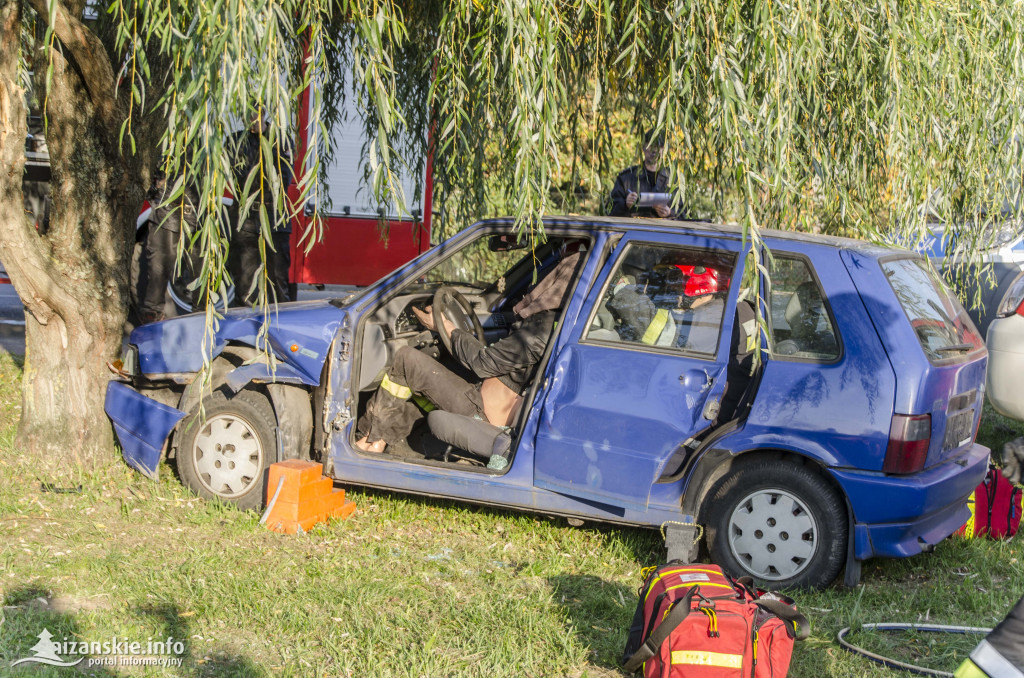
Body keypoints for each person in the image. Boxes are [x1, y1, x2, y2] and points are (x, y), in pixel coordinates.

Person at [354, 251, 582, 457]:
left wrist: (445, 325)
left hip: (481, 413)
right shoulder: (559, 325)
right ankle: (393, 441)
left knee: (406, 359)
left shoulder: (539, 331)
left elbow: (483, 363)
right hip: (483, 397)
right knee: (427, 376)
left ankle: (370, 442)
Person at [228, 110, 294, 305]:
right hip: (246, 218)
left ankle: (280, 325)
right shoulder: (236, 141)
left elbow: (281, 180)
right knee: (245, 284)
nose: (250, 118)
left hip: (274, 218)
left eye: (256, 112)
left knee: (277, 281)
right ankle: (244, 330)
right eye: (246, 112)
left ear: (264, 113)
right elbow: (237, 178)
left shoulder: (280, 141)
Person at [608, 130, 675, 219]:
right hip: (633, 231)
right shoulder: (626, 178)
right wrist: (625, 204)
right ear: (643, 148)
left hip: (662, 232)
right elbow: (610, 211)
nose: (654, 150)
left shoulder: (673, 179)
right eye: (650, 145)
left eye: (659, 146)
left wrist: (670, 213)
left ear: (665, 149)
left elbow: (684, 214)